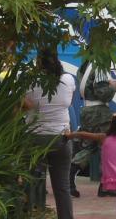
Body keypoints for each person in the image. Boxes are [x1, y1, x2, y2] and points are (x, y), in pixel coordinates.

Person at [24, 48, 77, 219]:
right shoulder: (68, 79)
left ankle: (27, 215)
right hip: (61, 138)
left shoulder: (30, 81)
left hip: (34, 139)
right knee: (62, 187)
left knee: (28, 184)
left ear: (38, 62)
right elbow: (69, 102)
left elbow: (25, 105)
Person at [69, 112, 116, 219]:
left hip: (111, 176)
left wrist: (71, 135)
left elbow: (83, 134)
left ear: (112, 124)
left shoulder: (103, 137)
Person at [73, 58, 116, 197]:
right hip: (99, 112)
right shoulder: (100, 65)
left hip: (87, 110)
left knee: (90, 146)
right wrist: (114, 87)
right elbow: (103, 94)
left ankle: (71, 173)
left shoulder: (85, 64)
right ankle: (106, 186)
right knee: (106, 148)